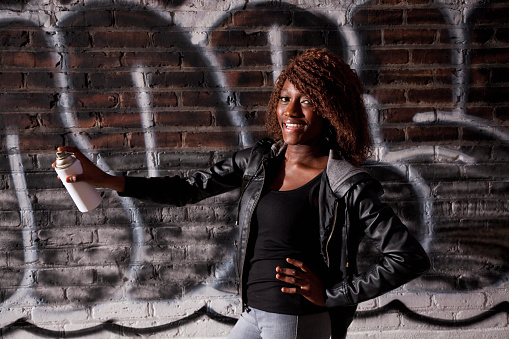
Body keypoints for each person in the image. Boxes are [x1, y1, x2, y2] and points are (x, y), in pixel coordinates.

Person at [55, 48, 430, 339]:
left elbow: (407, 257)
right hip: (254, 312)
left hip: (296, 321)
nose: (292, 111)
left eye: (308, 101)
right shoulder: (259, 161)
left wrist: (331, 296)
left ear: (331, 110)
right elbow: (188, 189)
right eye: (285, 98)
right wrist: (106, 179)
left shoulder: (345, 182)